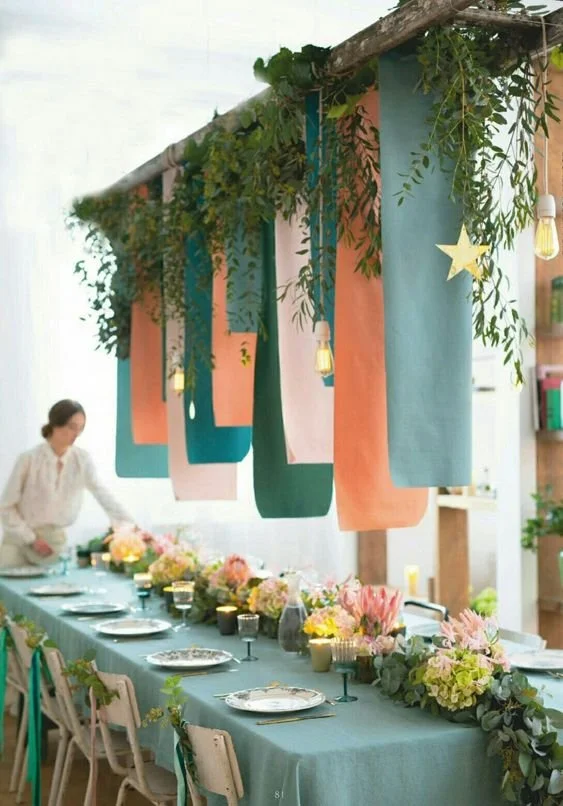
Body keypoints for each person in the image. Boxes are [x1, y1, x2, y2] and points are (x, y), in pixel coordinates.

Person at [0, 399, 133, 568]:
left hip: (52, 547)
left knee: (53, 590)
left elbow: (103, 495)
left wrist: (131, 526)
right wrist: (30, 539)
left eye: (80, 428)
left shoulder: (81, 460)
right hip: (17, 544)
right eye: (72, 426)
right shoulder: (29, 459)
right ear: (55, 424)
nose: (76, 433)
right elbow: (6, 506)